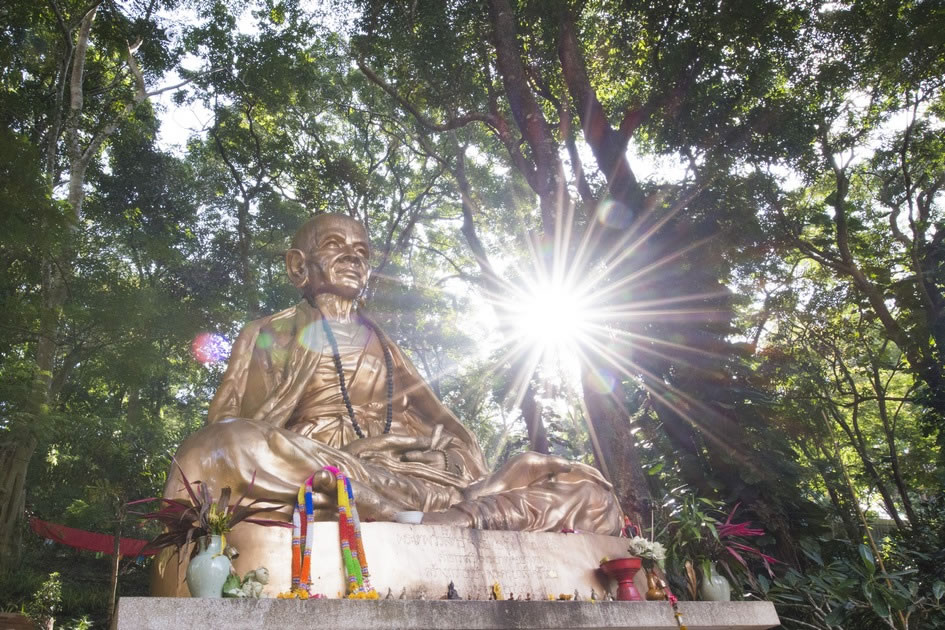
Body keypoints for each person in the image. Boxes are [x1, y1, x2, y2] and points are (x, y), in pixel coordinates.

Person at [166, 213, 621, 534]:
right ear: (297, 266)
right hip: (314, 465)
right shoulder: (268, 332)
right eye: (334, 247)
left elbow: (450, 431)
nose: (353, 259)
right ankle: (396, 510)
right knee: (218, 447)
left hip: (406, 480)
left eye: (362, 252)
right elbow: (222, 427)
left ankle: (446, 517)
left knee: (590, 491)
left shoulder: (385, 345)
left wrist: (442, 460)